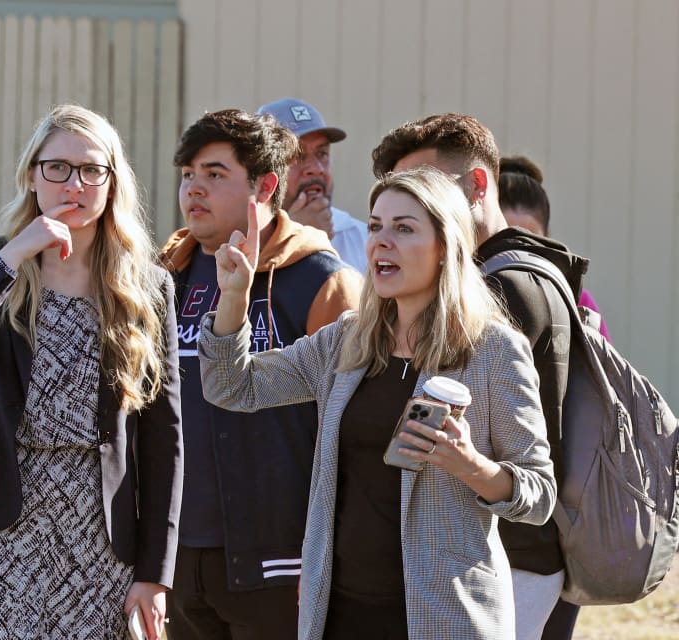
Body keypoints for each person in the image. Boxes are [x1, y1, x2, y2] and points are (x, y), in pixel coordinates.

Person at [199, 166, 556, 639]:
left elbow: (539, 495)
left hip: (443, 619)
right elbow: (232, 387)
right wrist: (234, 299)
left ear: (445, 247)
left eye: (403, 229)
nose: (381, 242)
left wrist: (470, 465)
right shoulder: (347, 341)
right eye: (375, 226)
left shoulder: (493, 351)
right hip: (340, 614)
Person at [0, 104, 183, 640]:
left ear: (111, 183)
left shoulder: (146, 287)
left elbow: (164, 438)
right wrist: (17, 253)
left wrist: (155, 574)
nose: (74, 183)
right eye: (57, 168)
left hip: (98, 533)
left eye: (91, 170)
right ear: (32, 176)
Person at [371, 114, 589, 640]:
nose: (415, 202)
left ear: (476, 185)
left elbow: (526, 469)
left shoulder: (499, 292)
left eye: (427, 185)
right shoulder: (532, 273)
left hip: (501, 560)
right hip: (515, 555)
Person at [160, 108, 360, 640]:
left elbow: (351, 429)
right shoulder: (166, 275)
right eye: (187, 174)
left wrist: (332, 556)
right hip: (177, 556)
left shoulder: (322, 280)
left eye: (214, 174)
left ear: (266, 185)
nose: (193, 188)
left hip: (282, 562)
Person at [498, 154, 609, 341]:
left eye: (528, 242)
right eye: (506, 240)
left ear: (546, 238)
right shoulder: (466, 299)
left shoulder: (577, 302)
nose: (517, 253)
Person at [256, 98, 367, 272]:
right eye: (298, 156)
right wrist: (294, 239)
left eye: (322, 153)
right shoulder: (237, 240)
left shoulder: (363, 238)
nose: (316, 169)